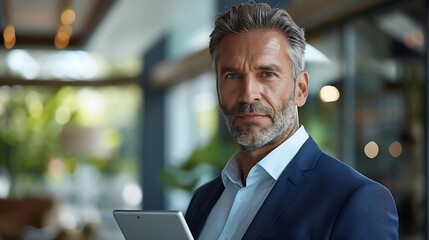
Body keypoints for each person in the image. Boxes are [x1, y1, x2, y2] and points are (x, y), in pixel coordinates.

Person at [185, 1, 399, 240]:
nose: (248, 94)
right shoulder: (202, 200)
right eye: (232, 75)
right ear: (217, 89)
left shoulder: (355, 199)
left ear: (301, 89)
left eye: (267, 74)